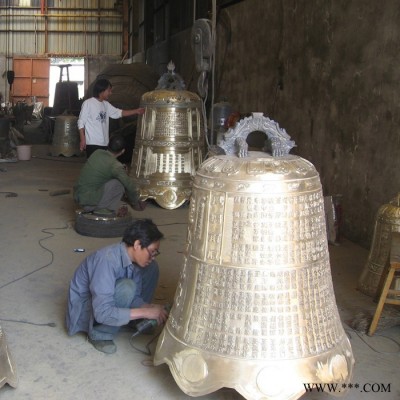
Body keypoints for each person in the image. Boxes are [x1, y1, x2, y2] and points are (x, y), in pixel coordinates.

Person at [66, 219, 169, 354]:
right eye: (152, 252)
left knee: (151, 268)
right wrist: (145, 312)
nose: (153, 256)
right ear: (137, 244)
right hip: (89, 312)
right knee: (127, 286)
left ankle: (133, 321)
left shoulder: (133, 259)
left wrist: (148, 307)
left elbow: (135, 296)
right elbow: (102, 312)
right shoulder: (106, 260)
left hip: (108, 304)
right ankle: (100, 334)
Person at [73, 133, 145, 216]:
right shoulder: (115, 166)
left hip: (78, 198)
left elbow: (104, 170)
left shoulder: (97, 153)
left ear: (108, 144)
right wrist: (135, 203)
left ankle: (97, 206)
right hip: (88, 204)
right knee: (119, 183)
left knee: (113, 179)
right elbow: (129, 185)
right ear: (123, 151)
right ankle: (105, 211)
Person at [78, 78, 145, 158]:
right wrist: (83, 139)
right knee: (96, 167)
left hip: (105, 143)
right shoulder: (88, 103)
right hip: (92, 143)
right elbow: (81, 122)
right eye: (109, 90)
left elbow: (119, 113)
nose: (110, 93)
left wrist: (136, 111)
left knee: (102, 167)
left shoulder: (106, 105)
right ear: (102, 90)